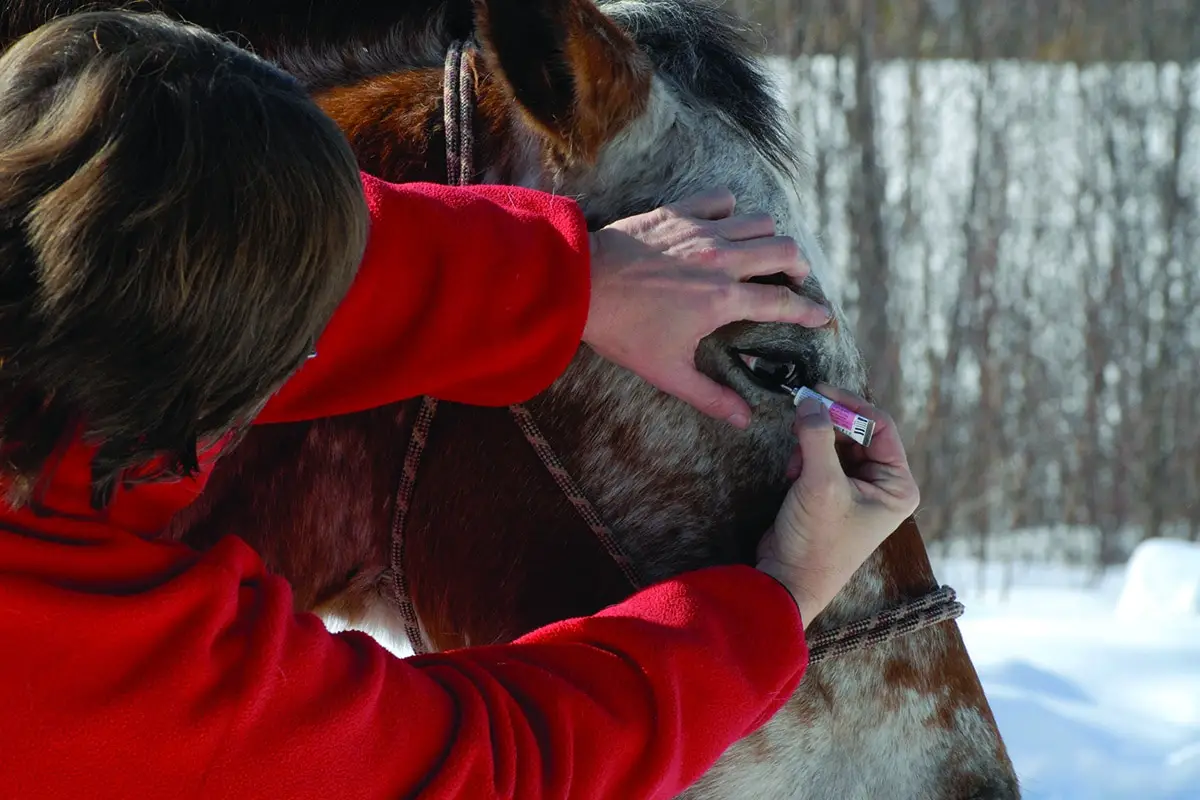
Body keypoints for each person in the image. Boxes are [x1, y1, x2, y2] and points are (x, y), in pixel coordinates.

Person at [0, 11, 921, 800]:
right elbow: (482, 762)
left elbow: (155, 240)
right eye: (299, 339)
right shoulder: (94, 666)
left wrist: (566, 284)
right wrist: (777, 602)